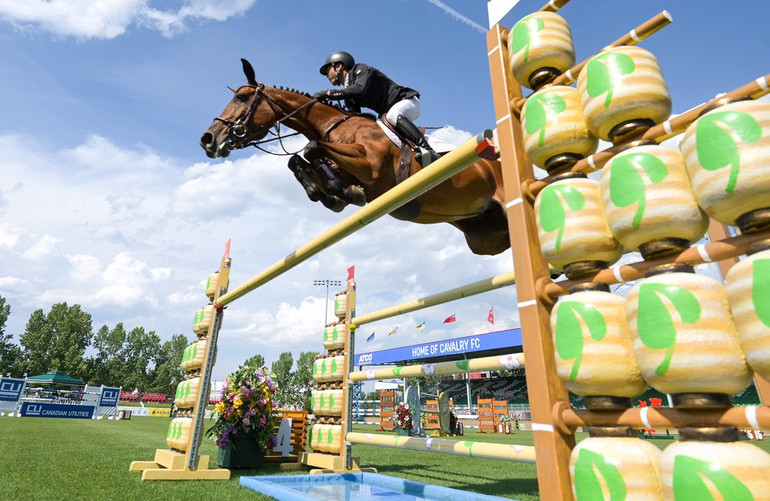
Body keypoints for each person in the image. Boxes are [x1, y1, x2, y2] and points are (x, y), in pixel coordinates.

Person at [313, 51, 438, 166]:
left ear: (339, 66)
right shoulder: (348, 94)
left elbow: (359, 89)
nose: (327, 76)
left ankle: (427, 150)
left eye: (328, 69)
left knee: (393, 115)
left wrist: (329, 94)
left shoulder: (361, 69)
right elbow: (355, 118)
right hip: (386, 116)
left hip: (406, 102)